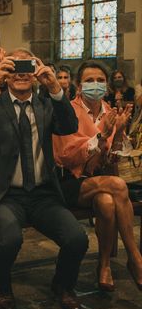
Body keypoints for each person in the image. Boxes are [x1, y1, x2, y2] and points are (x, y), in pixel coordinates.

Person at [0, 49, 88, 309]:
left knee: (77, 238)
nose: (21, 73)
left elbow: (69, 126)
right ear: (5, 73)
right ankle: (3, 286)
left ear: (36, 72)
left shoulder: (45, 103)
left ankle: (63, 285)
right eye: (14, 67)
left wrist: (55, 87)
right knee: (10, 238)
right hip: (6, 195)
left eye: (28, 66)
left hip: (43, 194)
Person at [54, 61, 142, 292]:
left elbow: (112, 157)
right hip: (69, 181)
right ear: (79, 85)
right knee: (117, 184)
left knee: (106, 201)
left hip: (99, 180)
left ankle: (104, 265)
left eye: (101, 81)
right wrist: (102, 134)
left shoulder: (109, 111)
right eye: (90, 80)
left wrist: (120, 130)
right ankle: (136, 259)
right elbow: (67, 155)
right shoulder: (67, 110)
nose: (96, 85)